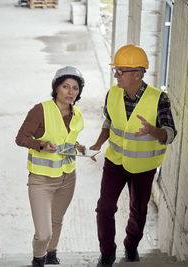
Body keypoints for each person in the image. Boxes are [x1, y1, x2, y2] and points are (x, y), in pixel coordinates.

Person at [90, 45, 177, 266]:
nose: (116, 75)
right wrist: (98, 143)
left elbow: (170, 134)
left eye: (121, 71)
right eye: (115, 70)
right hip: (115, 161)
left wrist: (152, 130)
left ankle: (131, 245)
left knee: (138, 211)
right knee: (104, 207)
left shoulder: (160, 99)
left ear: (137, 74)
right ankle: (107, 252)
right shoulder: (113, 93)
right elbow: (109, 121)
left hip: (143, 166)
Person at [15, 66, 86, 267]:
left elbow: (67, 139)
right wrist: (41, 144)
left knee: (57, 219)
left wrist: (79, 147)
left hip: (68, 177)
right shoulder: (41, 110)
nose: (70, 92)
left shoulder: (77, 113)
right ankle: (39, 259)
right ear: (56, 88)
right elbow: (21, 138)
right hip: (41, 179)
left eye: (75, 88)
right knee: (44, 232)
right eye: (65, 86)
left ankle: (52, 254)